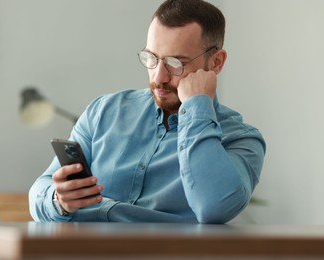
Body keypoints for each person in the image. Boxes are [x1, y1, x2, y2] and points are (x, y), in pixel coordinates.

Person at [29, 0, 265, 224]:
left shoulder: (240, 139)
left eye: (175, 63)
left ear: (216, 63)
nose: (159, 77)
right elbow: (42, 188)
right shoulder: (104, 111)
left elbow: (213, 207)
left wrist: (197, 105)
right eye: (151, 58)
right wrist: (59, 200)